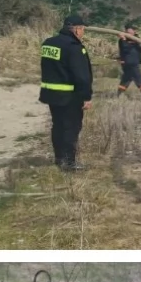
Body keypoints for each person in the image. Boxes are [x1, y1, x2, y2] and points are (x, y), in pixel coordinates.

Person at [39, 14, 93, 171]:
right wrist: (86, 97)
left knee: (58, 126)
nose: (83, 32)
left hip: (51, 95)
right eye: (82, 29)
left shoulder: (48, 43)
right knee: (71, 128)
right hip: (70, 97)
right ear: (76, 29)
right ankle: (69, 163)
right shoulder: (74, 48)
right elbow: (82, 76)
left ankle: (59, 158)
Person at [116, 25, 141, 99]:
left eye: (131, 32)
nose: (129, 33)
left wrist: (136, 42)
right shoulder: (122, 40)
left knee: (126, 79)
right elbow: (125, 49)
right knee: (138, 78)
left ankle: (118, 95)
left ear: (134, 31)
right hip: (127, 62)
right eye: (127, 32)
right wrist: (123, 39)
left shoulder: (137, 38)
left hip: (135, 61)